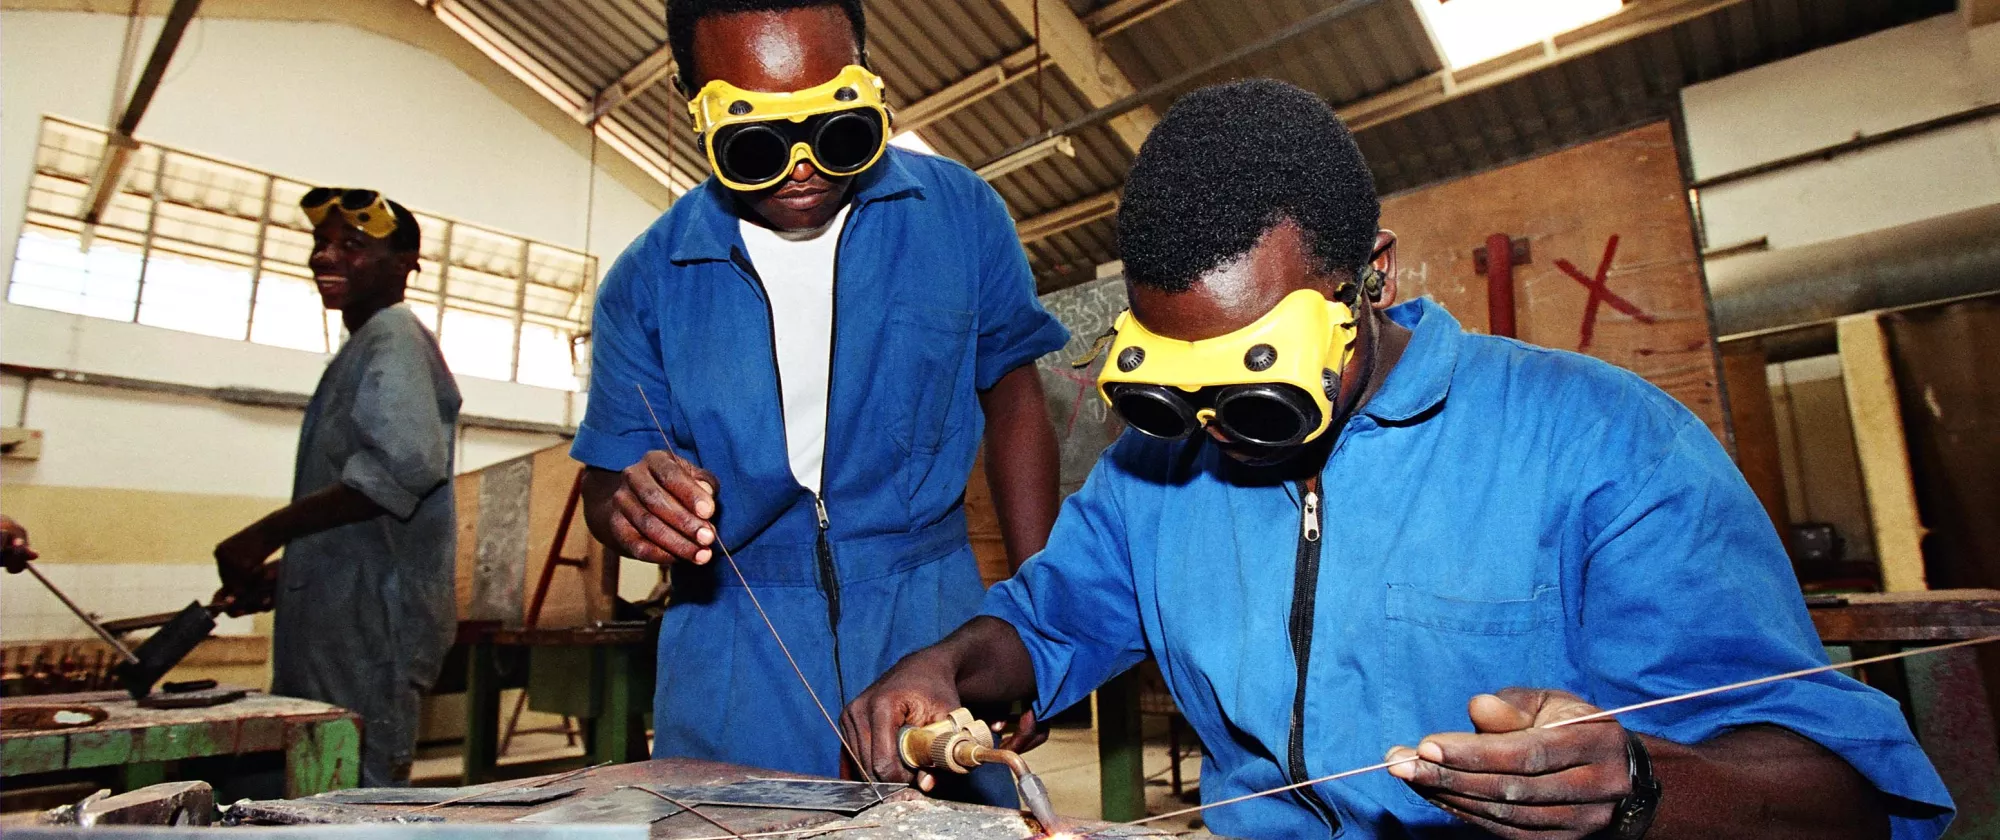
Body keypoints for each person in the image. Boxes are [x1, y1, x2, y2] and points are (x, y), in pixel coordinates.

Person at [842, 80, 1953, 839]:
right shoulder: (1154, 472)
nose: (1218, 422)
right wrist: (941, 667)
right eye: (1184, 384)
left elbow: (1840, 794)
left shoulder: (1601, 443)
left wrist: (1636, 791)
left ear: (1367, 275)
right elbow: (1043, 625)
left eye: (1259, 374)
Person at [572, 0, 1067, 801]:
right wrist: (628, 504)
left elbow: (1015, 398)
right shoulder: (646, 283)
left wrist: (1041, 627)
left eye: (833, 127)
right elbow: (606, 478)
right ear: (692, 100)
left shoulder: (958, 215)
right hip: (734, 648)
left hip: (932, 623)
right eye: (757, 142)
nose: (801, 166)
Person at [214, 187, 460, 787]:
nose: (325, 258)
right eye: (321, 244)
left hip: (373, 632)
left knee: (354, 801)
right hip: (345, 622)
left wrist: (265, 533)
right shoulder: (363, 348)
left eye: (352, 246)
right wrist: (301, 567)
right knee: (320, 791)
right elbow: (365, 511)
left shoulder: (393, 335)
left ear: (406, 265)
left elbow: (403, 467)